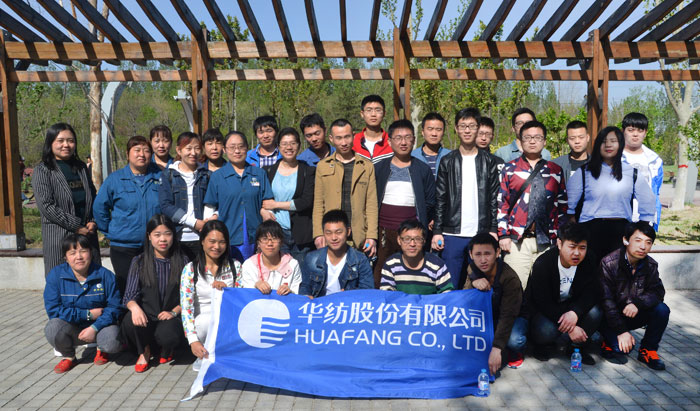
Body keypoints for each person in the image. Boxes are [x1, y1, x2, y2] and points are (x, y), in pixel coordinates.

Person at [432, 108, 501, 289]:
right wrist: (437, 230)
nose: (467, 130)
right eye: (463, 126)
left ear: (478, 128)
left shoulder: (489, 161)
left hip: (481, 233)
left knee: (483, 285)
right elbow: (441, 198)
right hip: (452, 234)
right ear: (456, 128)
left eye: (472, 126)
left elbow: (494, 198)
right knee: (450, 285)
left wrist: (493, 228)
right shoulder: (447, 161)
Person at [567, 126, 655, 262]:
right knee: (591, 271)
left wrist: (639, 231)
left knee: (617, 272)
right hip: (590, 231)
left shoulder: (631, 172)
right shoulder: (584, 172)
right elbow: (569, 205)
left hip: (620, 233)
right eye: (604, 141)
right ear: (598, 145)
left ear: (620, 144)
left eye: (613, 141)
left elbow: (647, 203)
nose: (608, 145)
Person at [519, 222, 601, 366]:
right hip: (547, 311)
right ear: (559, 243)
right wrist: (571, 327)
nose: (577, 253)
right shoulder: (543, 263)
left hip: (571, 308)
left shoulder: (589, 259)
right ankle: (542, 345)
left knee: (596, 312)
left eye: (582, 248)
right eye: (572, 247)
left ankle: (576, 348)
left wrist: (575, 312)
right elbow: (541, 301)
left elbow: (592, 292)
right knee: (546, 330)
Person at [497, 120, 567, 285]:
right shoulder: (509, 169)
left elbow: (562, 206)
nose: (532, 141)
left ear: (544, 141)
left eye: (537, 137)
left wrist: (561, 235)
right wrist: (503, 234)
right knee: (516, 287)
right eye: (527, 138)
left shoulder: (555, 170)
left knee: (543, 287)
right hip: (517, 241)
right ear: (520, 141)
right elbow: (502, 204)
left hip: (548, 240)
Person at [44, 234, 121, 373]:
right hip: (73, 328)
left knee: (112, 341)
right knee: (52, 327)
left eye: (83, 251)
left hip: (101, 327)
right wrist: (87, 315)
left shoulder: (105, 275)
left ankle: (102, 349)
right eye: (72, 253)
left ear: (91, 253)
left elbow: (114, 307)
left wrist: (95, 327)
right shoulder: (56, 275)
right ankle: (69, 357)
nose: (78, 257)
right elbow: (54, 310)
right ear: (65, 257)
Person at [94, 135, 162, 295]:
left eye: (146, 151)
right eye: (137, 150)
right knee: (126, 288)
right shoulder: (115, 179)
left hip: (153, 246)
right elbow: (99, 208)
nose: (142, 154)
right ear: (127, 154)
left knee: (152, 288)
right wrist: (110, 231)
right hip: (123, 247)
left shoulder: (160, 177)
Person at [120, 215, 188, 373]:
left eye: (167, 234)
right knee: (129, 321)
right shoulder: (139, 261)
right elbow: (129, 294)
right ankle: (144, 350)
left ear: (174, 235)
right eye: (157, 234)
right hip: (147, 316)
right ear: (149, 236)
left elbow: (189, 296)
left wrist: (174, 311)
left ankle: (167, 347)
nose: (162, 239)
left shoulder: (183, 261)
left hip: (170, 316)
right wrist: (135, 308)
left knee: (169, 335)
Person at [599, 221, 670, 371]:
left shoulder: (650, 265)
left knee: (662, 309)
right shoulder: (609, 263)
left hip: (633, 313)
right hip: (610, 317)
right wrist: (621, 331)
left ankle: (648, 350)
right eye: (638, 240)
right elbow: (606, 301)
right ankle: (608, 340)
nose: (643, 247)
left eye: (648, 242)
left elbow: (658, 292)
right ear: (626, 240)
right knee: (620, 350)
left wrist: (638, 303)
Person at [374, 120, 436, 288]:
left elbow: (430, 201)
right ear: (389, 141)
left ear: (414, 140)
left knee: (411, 276)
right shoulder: (379, 168)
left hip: (412, 234)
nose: (403, 142)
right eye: (398, 138)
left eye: (408, 137)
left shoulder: (422, 169)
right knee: (382, 276)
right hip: (383, 233)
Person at [33, 123, 99, 276]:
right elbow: (46, 206)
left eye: (70, 141)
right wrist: (76, 226)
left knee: (91, 280)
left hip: (87, 235)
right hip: (59, 236)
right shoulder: (43, 170)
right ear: (51, 143)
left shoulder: (81, 167)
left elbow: (92, 196)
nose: (66, 145)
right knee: (61, 280)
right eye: (60, 141)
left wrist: (93, 221)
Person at [312, 119, 378, 259]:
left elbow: (371, 204)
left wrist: (372, 235)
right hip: (331, 236)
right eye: (339, 138)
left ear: (353, 136)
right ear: (331, 139)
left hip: (359, 236)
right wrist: (318, 234)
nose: (344, 143)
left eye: (347, 137)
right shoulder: (323, 166)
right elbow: (318, 204)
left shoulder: (366, 166)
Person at [180, 220, 241, 370]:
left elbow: (241, 300)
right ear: (202, 241)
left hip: (228, 319)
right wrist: (193, 341)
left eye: (222, 242)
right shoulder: (190, 269)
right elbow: (186, 308)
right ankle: (204, 354)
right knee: (206, 322)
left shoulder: (235, 266)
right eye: (212, 241)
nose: (217, 246)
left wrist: (228, 291)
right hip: (203, 323)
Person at [204, 131, 274, 261]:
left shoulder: (259, 174)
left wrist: (264, 212)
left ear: (247, 148)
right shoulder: (218, 176)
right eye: (232, 147)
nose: (237, 151)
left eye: (241, 147)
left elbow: (267, 201)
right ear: (224, 150)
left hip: (255, 236)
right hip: (228, 236)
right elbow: (210, 206)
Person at [463, 232, 523, 374]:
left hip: (513, 317)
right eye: (478, 254)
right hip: (488, 317)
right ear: (471, 255)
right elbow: (466, 301)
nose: (483, 260)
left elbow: (508, 315)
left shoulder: (510, 278)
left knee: (515, 340)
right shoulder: (473, 268)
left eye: (487, 254)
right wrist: (473, 281)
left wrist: (497, 348)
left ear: (497, 252)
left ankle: (513, 352)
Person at [159, 132, 214, 261]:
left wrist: (213, 217)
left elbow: (216, 201)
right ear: (179, 150)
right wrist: (194, 223)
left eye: (197, 148)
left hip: (203, 238)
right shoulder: (168, 175)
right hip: (177, 237)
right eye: (188, 148)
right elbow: (165, 205)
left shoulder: (207, 175)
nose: (193, 153)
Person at [263, 128, 316, 261]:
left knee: (301, 271)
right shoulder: (268, 171)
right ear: (278, 146)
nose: (289, 147)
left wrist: (276, 205)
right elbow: (261, 199)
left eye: (293, 143)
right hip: (276, 233)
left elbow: (306, 202)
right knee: (278, 270)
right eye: (284, 144)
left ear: (299, 145)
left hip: (301, 234)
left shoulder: (308, 171)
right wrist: (263, 211)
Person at [300, 210, 374, 298]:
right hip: (320, 304)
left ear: (348, 231)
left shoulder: (360, 260)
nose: (334, 238)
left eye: (338, 232)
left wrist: (350, 294)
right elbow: (304, 286)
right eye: (328, 233)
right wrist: (306, 296)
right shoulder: (311, 258)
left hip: (346, 304)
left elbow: (368, 292)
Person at [380, 220, 452, 294]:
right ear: (399, 240)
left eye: (417, 239)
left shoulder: (437, 265)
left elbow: (447, 295)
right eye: (407, 239)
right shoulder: (391, 264)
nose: (412, 244)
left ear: (424, 241)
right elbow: (386, 295)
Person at [621, 112, 664, 229]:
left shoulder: (655, 161)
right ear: (623, 131)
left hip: (646, 220)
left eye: (640, 130)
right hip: (619, 219)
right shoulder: (614, 158)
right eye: (631, 130)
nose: (635, 134)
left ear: (645, 133)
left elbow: (656, 191)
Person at [240, 221, 302, 295]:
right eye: (265, 239)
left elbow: (297, 295)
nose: (270, 244)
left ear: (281, 242)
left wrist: (290, 292)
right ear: (258, 243)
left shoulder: (293, 264)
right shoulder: (249, 265)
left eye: (274, 239)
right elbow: (246, 295)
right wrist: (255, 286)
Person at [352, 95, 393, 164]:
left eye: (378, 110)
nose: (373, 114)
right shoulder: (353, 141)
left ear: (384, 113)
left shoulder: (392, 142)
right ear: (362, 114)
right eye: (369, 110)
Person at [411, 112, 451, 178]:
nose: (434, 134)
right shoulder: (412, 157)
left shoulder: (451, 156)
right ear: (422, 132)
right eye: (430, 129)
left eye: (438, 130)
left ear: (443, 132)